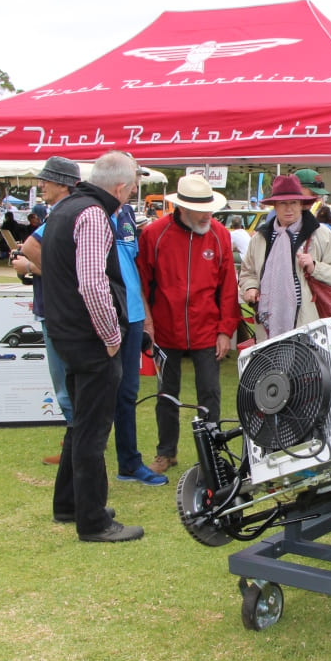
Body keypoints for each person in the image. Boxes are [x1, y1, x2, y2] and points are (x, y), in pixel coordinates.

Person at [41, 150, 144, 543]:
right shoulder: (93, 215)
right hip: (90, 339)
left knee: (79, 423)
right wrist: (111, 337)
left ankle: (69, 504)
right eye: (133, 186)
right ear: (121, 188)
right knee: (93, 430)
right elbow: (92, 283)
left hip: (67, 333)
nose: (132, 192)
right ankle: (94, 520)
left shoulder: (66, 208)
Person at [136, 174, 241, 476]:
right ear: (182, 207)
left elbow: (227, 288)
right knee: (166, 394)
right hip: (165, 330)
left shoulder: (220, 234)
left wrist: (225, 330)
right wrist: (148, 324)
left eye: (210, 207)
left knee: (210, 392)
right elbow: (143, 284)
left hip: (207, 330)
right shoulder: (154, 235)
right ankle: (165, 452)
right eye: (201, 209)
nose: (208, 214)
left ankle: (212, 451)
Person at [10, 156, 81, 466]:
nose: (42, 185)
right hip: (58, 309)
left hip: (56, 312)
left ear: (62, 184)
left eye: (47, 181)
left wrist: (30, 266)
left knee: (65, 389)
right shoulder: (71, 213)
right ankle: (76, 446)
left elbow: (30, 248)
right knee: (68, 386)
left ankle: (75, 450)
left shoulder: (60, 216)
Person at [239, 174, 331, 343]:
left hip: (309, 328)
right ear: (275, 206)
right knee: (273, 369)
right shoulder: (260, 238)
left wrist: (315, 267)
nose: (288, 208)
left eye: (293, 202)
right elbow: (247, 272)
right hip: (267, 329)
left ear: (301, 205)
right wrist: (250, 287)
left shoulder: (320, 234)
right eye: (283, 203)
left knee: (307, 369)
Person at [110, 201, 167, 486]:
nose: (135, 187)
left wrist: (144, 316)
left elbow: (132, 270)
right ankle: (83, 463)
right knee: (97, 394)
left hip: (131, 316)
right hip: (106, 316)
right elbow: (37, 246)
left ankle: (129, 463)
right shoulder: (88, 211)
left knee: (127, 392)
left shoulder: (128, 214)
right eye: (132, 180)